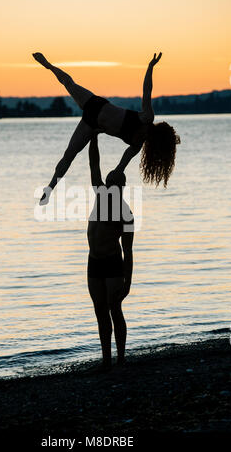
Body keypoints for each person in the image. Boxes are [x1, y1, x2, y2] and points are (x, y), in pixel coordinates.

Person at [32, 51, 180, 205]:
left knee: (69, 155)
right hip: (96, 106)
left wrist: (113, 188)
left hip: (92, 126)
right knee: (69, 83)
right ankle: (47, 64)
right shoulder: (147, 118)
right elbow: (147, 91)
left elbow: (120, 168)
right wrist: (150, 67)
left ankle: (49, 190)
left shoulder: (136, 145)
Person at [86, 134, 134, 372]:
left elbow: (129, 251)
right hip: (93, 262)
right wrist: (92, 136)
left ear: (121, 187)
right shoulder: (100, 194)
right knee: (99, 311)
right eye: (108, 182)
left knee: (114, 309)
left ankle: (121, 358)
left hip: (113, 263)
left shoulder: (126, 214)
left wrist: (128, 283)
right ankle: (106, 360)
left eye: (114, 184)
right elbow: (94, 164)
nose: (109, 186)